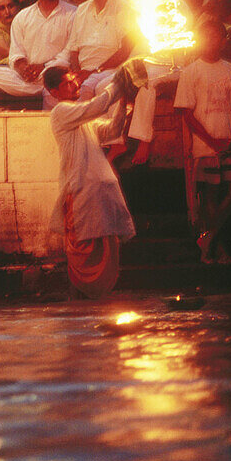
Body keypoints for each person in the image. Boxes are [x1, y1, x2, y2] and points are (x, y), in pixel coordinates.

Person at [42, 65, 134, 298]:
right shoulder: (61, 112)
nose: (76, 85)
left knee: (105, 247)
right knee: (81, 249)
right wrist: (118, 83)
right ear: (54, 92)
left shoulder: (83, 117)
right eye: (67, 83)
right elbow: (97, 106)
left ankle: (99, 296)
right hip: (80, 188)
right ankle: (79, 297)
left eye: (75, 80)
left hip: (100, 191)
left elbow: (112, 128)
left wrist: (122, 100)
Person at [174, 19, 231, 264]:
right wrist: (212, 141)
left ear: (222, 40)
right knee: (210, 196)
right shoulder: (190, 72)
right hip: (204, 145)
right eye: (205, 37)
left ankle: (208, 237)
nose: (210, 42)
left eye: (214, 37)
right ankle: (215, 250)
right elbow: (187, 113)